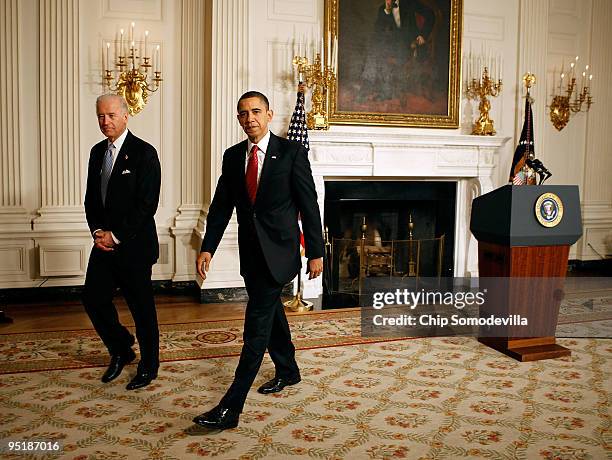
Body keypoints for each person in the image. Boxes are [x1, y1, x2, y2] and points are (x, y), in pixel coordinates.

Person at [193, 91, 324, 430]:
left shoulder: (292, 152)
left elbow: (309, 205)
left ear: (269, 115)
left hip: (280, 252)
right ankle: (288, 369)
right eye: (242, 113)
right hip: (250, 253)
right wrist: (208, 246)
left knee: (256, 327)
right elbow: (222, 205)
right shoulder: (233, 156)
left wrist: (316, 251)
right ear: (238, 119)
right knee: (271, 309)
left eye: (255, 111)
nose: (249, 118)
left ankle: (231, 406)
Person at [83, 94, 161, 390]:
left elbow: (146, 205)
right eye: (101, 116)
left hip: (135, 247)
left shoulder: (144, 153)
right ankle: (121, 349)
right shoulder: (95, 152)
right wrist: (97, 232)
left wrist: (116, 236)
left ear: (126, 116)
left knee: (142, 310)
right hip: (103, 244)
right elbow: (92, 199)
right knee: (93, 299)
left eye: (111, 115)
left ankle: (149, 366)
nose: (106, 121)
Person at [361, 0, 435, 100]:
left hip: (411, 44)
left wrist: (423, 35)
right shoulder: (382, 9)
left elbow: (430, 14)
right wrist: (387, 11)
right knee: (376, 49)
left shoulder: (409, 3)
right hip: (393, 45)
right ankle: (369, 86)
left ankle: (383, 91)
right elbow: (378, 31)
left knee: (381, 51)